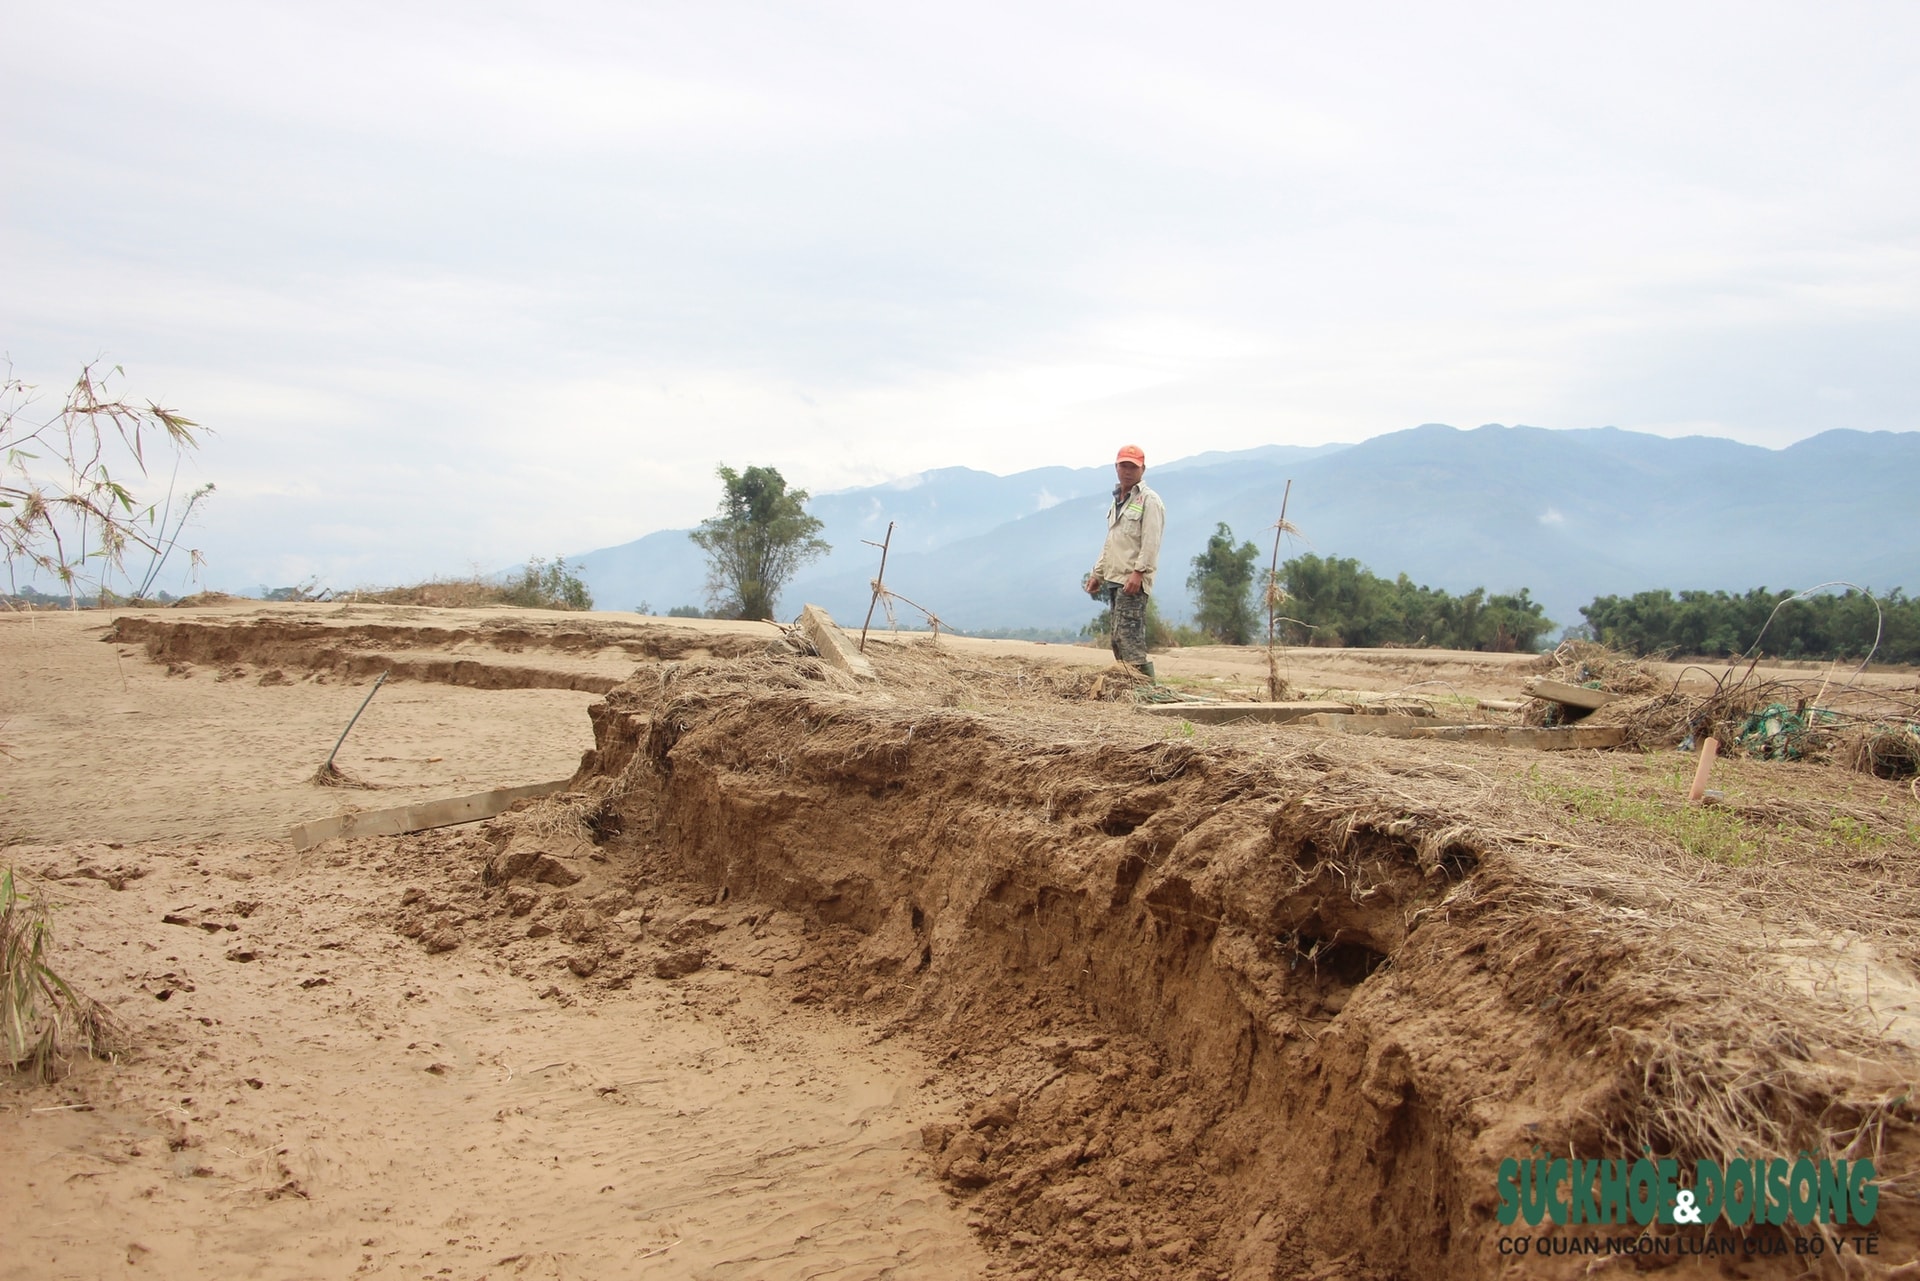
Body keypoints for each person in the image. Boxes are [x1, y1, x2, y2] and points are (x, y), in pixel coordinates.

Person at [1083, 444, 1166, 679]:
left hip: (1132, 581)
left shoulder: (1149, 501)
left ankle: (1144, 688)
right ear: (1116, 467)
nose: (1127, 471)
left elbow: (1151, 542)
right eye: (1123, 466)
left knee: (1130, 638)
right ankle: (1127, 685)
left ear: (1143, 469)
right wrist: (1097, 573)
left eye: (1133, 467)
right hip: (1114, 577)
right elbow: (1112, 541)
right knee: (1118, 639)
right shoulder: (1119, 500)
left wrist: (1139, 573)